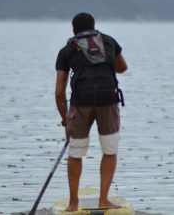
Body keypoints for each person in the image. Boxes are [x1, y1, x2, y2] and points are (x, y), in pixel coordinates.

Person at [55, 12, 128, 211]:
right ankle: (103, 200)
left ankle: (73, 203)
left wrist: (65, 119)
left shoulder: (67, 50)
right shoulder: (109, 41)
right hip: (108, 99)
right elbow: (122, 68)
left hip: (81, 102)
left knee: (76, 153)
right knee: (110, 150)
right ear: (94, 27)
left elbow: (59, 91)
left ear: (73, 30)